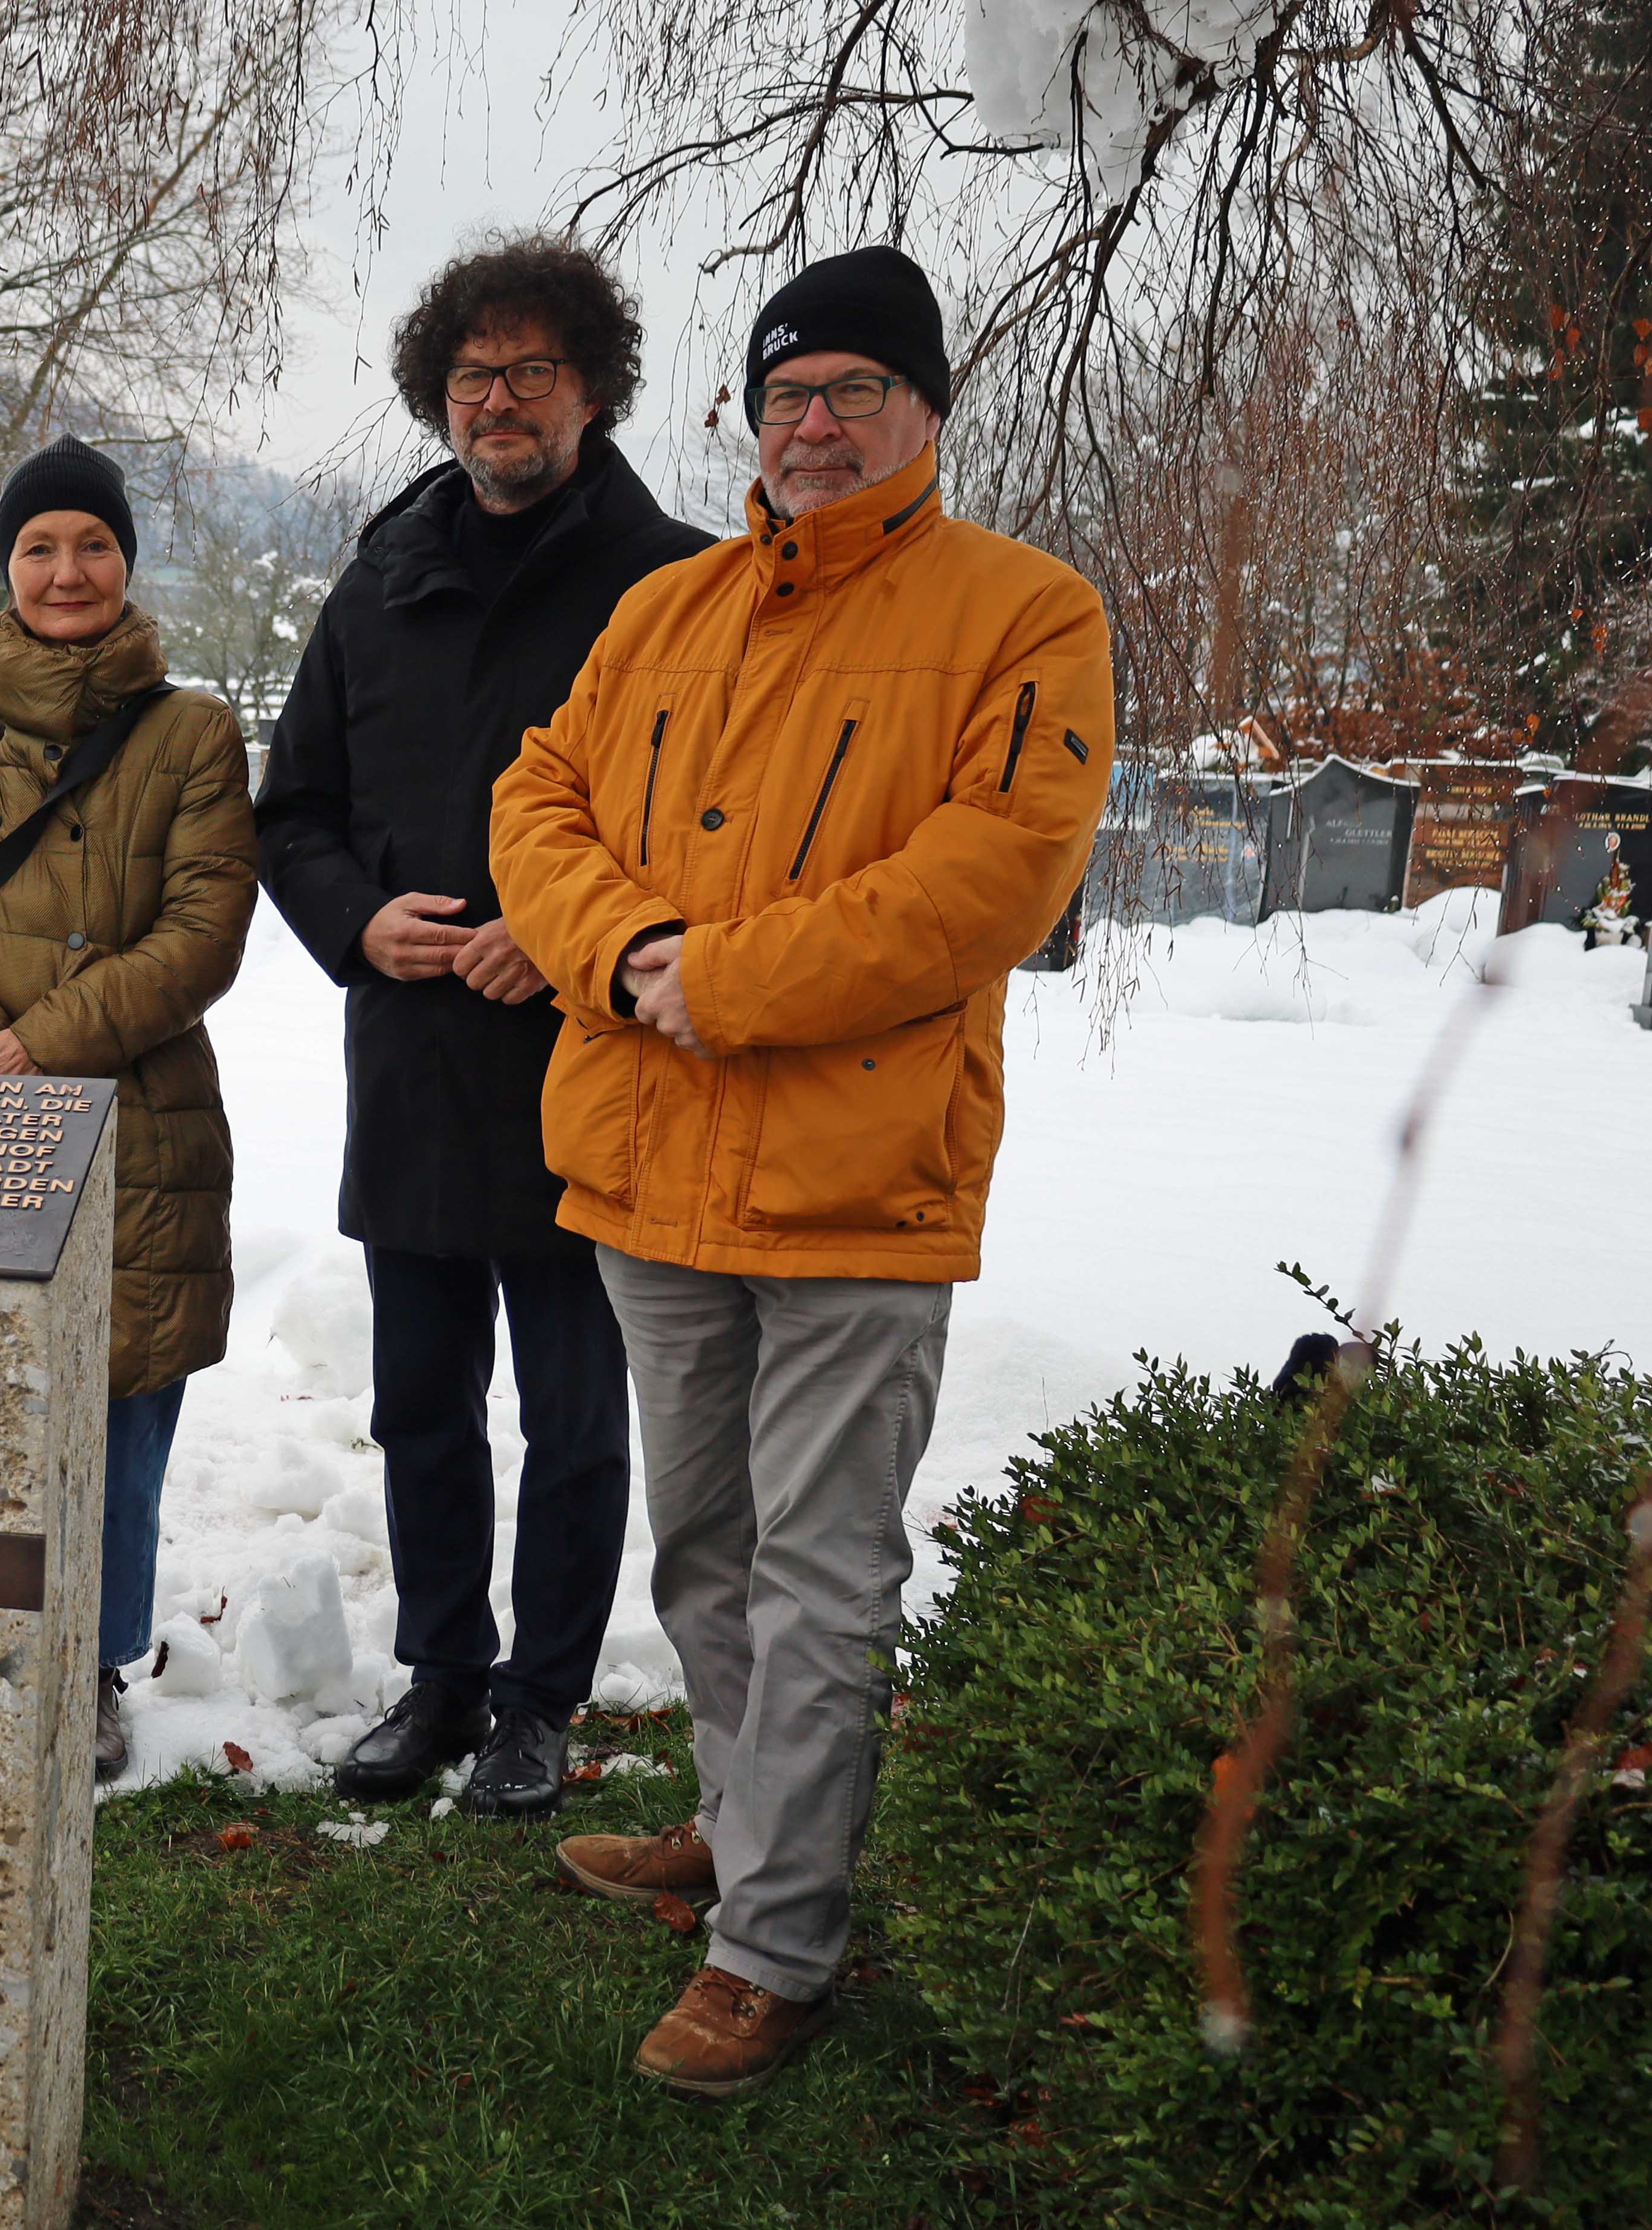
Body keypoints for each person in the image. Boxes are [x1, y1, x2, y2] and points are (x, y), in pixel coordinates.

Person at [492, 246, 1114, 2095]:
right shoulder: (668, 608)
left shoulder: (1026, 614)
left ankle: (777, 1947)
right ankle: (746, 1826)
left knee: (820, 1567)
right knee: (702, 1550)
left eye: (851, 392)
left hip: (857, 1185)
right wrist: (619, 955)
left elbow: (992, 875)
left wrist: (723, 980)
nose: (814, 427)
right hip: (648, 1169)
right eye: (784, 396)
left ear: (925, 412)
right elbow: (539, 797)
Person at [257, 236, 712, 1819]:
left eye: (530, 373)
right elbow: (293, 808)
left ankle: (541, 1695)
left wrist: (570, 935)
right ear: (434, 399)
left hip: (589, 1064)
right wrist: (355, 921)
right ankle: (442, 1673)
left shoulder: (673, 586)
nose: (497, 401)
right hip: (407, 1057)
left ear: (593, 390)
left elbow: (714, 834)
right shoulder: (381, 578)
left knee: (576, 1417)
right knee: (417, 1404)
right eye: (470, 378)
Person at [0, 437, 258, 1783]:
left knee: (119, 1407)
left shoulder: (191, 729)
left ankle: (86, 1672)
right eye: (40, 546)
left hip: (135, 1123)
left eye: (91, 544)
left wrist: (42, 1039)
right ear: (8, 566)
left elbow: (204, 930)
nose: (66, 570)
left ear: (126, 560)